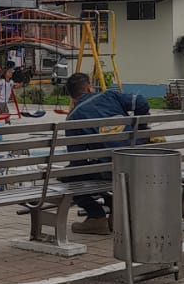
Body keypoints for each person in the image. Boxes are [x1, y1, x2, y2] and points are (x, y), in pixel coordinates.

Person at [62, 73, 151, 234]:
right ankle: (116, 212)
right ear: (89, 88)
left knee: (71, 175)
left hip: (111, 170)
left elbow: (77, 162)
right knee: (102, 168)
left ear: (72, 96)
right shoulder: (110, 95)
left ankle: (96, 216)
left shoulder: (73, 118)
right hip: (138, 161)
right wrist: (141, 130)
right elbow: (141, 102)